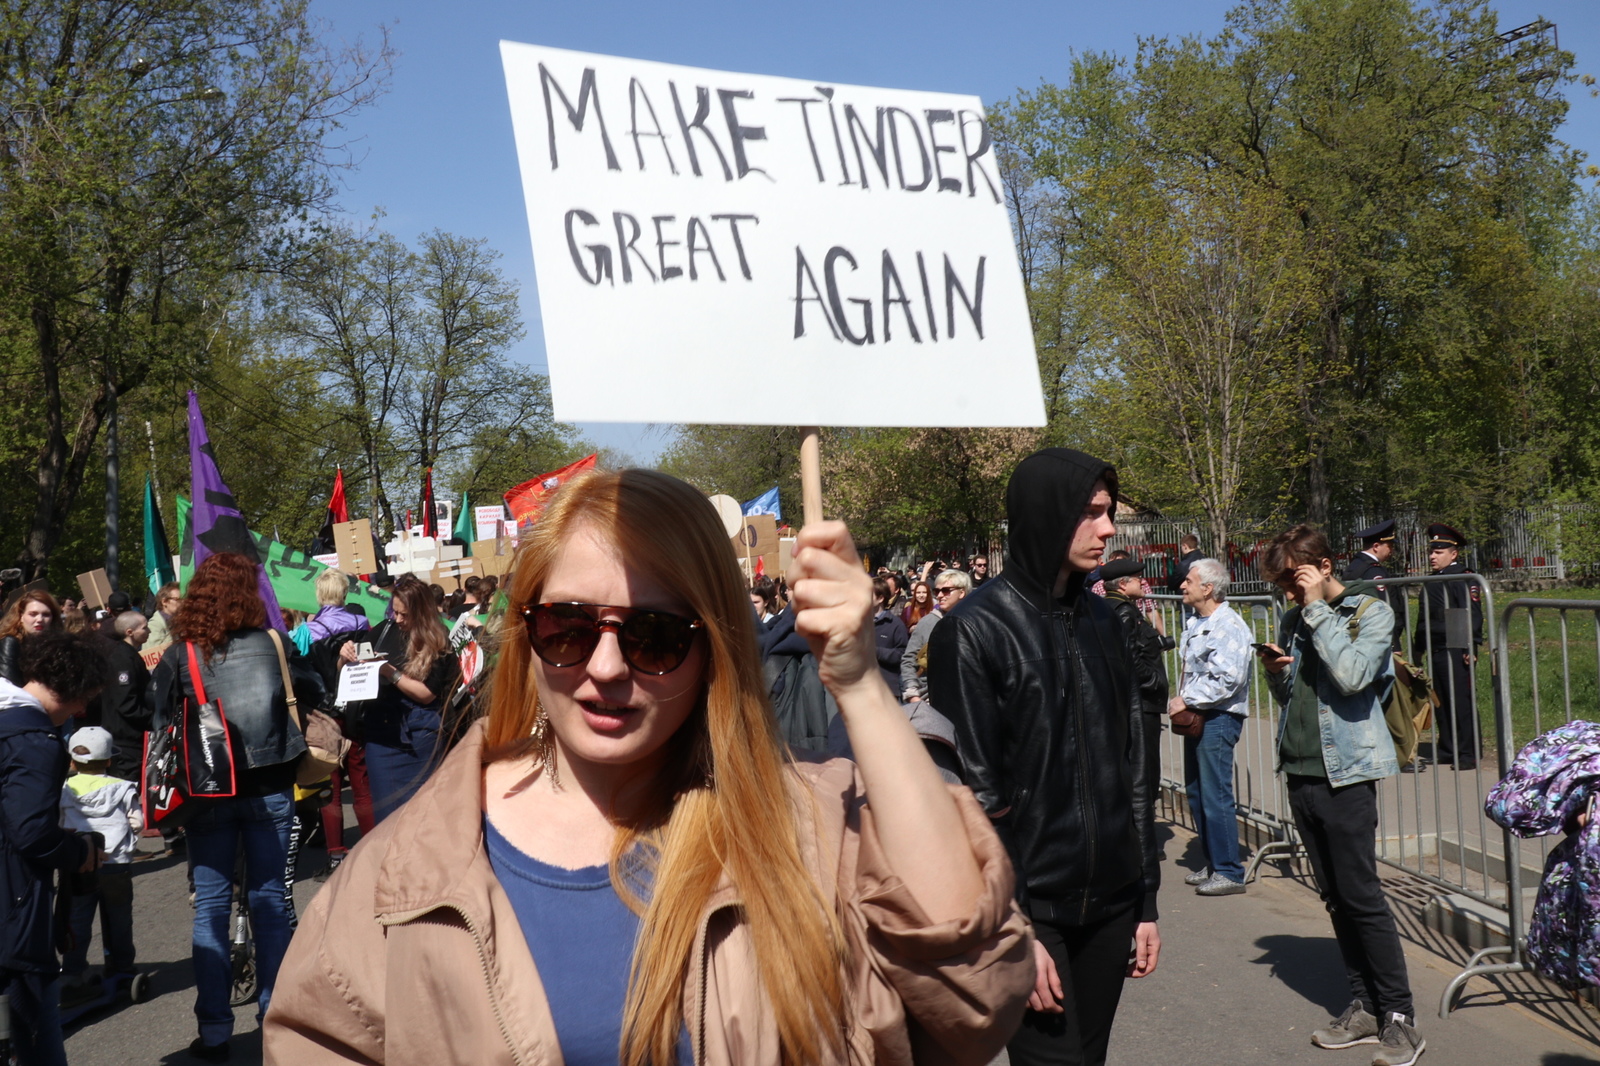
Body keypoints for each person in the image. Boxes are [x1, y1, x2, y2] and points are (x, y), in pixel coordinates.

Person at [265, 468, 1033, 1065]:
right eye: (566, 628)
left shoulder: (811, 829)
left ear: (713, 649)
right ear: (526, 637)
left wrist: (861, 684)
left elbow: (971, 994)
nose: (605, 667)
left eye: (655, 636)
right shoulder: (402, 877)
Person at [929, 448, 1160, 1066]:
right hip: (1033, 910)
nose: (1108, 529)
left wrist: (1145, 901)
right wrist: (1013, 928)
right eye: (1090, 513)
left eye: (1108, 512)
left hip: (1112, 902)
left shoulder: (1109, 623)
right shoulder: (974, 629)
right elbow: (974, 793)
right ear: (1045, 514)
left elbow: (1133, 768)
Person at [1258, 525, 1424, 1066]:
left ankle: (1399, 1017)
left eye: (1293, 578)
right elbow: (1297, 696)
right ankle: (1364, 1006)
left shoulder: (1367, 612)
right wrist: (1276, 673)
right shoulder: (1295, 618)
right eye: (1283, 583)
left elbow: (1353, 677)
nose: (1287, 592)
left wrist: (1315, 610)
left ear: (1324, 566)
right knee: (1332, 895)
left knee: (1362, 896)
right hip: (1302, 772)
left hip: (1346, 774)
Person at [147, 551, 320, 1061]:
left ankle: (216, 1030)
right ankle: (275, 1018)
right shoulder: (274, 642)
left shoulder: (183, 653)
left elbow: (160, 720)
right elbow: (311, 690)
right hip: (269, 788)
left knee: (211, 909)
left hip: (208, 793)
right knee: (270, 902)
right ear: (249, 593)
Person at [0, 630, 107, 1066]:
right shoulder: (34, 742)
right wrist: (77, 852)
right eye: (85, 698)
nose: (82, 710)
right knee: (34, 1039)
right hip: (14, 912)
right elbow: (30, 833)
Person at [340, 577, 456, 822]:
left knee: (423, 815)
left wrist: (388, 671)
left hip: (419, 737)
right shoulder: (384, 630)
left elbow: (427, 695)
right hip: (382, 737)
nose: (399, 619)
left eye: (405, 614)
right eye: (395, 612)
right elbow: (349, 666)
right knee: (388, 819)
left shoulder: (438, 638)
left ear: (421, 612)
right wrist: (344, 656)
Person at [1170, 558, 1254, 896]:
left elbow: (1228, 679)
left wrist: (1186, 700)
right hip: (1200, 717)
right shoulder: (1196, 622)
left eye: (1188, 580)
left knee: (1215, 795)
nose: (1182, 585)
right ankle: (1215, 861)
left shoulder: (1228, 625)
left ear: (1208, 587)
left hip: (1219, 717)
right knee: (1196, 791)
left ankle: (1229, 871)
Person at [58, 726, 142, 1004]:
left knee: (78, 919)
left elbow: (57, 824)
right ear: (109, 761)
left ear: (72, 761)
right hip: (115, 862)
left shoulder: (64, 790)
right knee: (118, 918)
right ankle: (122, 968)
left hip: (79, 863)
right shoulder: (122, 788)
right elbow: (137, 821)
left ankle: (72, 972)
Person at [1099, 556, 1174, 846]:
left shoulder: (1111, 607)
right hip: (1141, 705)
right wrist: (1151, 681)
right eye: (1138, 579)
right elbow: (1128, 656)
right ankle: (1142, 844)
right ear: (1123, 584)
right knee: (1144, 773)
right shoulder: (1124, 611)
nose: (1144, 583)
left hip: (1133, 703)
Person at [1411, 523, 1483, 771]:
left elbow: (1470, 613)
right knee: (1440, 700)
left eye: (1438, 552)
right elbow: (1424, 616)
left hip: (1455, 645)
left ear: (1453, 553)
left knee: (1460, 701)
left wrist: (1470, 646)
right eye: (1432, 551)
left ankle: (1467, 752)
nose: (1432, 556)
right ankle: (1448, 748)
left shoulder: (1462, 576)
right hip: (1436, 646)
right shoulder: (1433, 579)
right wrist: (1418, 648)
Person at [98, 612, 152, 783]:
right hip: (126, 741)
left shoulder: (128, 654)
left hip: (130, 738)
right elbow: (126, 702)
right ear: (130, 632)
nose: (149, 631)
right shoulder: (122, 659)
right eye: (144, 628)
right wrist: (153, 718)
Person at [901, 570, 968, 702]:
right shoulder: (928, 622)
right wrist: (912, 695)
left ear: (962, 593)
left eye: (946, 590)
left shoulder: (974, 621)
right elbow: (909, 660)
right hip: (931, 701)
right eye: (937, 591)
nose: (940, 595)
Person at [1343, 519, 1405, 652]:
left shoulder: (1355, 566)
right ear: (1376, 546)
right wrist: (1394, 644)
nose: (1392, 551)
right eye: (1389, 546)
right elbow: (1383, 609)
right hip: (1377, 639)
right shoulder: (1374, 571)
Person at [0, 590, 60, 684]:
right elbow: (10, 686)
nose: (40, 619)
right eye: (33, 614)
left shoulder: (57, 646)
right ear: (21, 616)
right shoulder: (12, 642)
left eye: (46, 614)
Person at [871, 577, 909, 699]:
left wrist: (875, 651)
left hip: (886, 690)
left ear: (881, 598)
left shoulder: (895, 624)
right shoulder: (857, 622)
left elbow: (902, 654)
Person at [142, 581, 181, 652]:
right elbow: (151, 654)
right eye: (177, 599)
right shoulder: (155, 624)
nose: (182, 602)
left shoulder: (179, 619)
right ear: (164, 602)